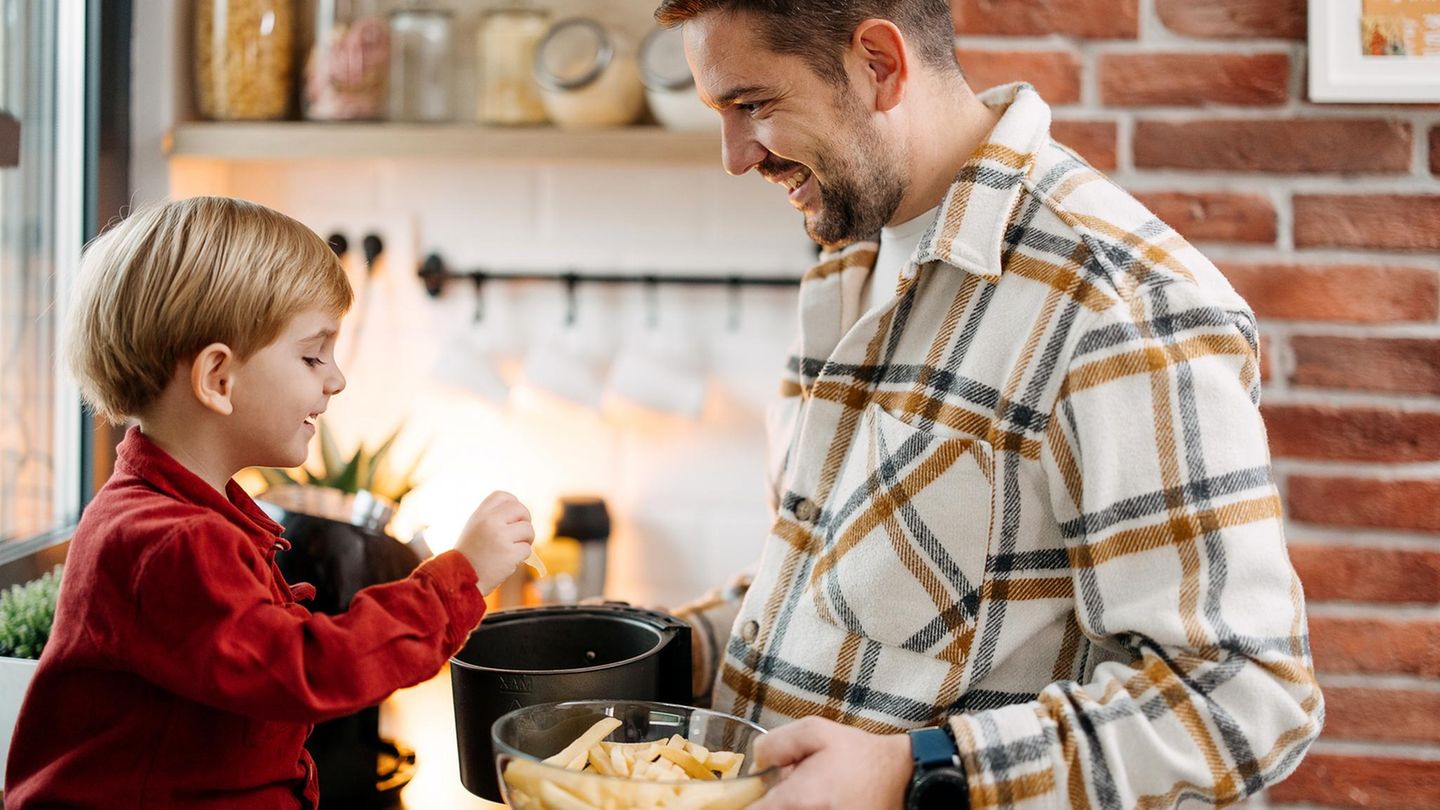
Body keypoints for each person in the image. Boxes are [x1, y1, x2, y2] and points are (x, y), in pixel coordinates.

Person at [656, 1, 1324, 807]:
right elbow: (831, 581)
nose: (734, 157)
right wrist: (643, 649)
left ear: (878, 64)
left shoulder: (1116, 305)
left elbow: (1241, 698)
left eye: (753, 105)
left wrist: (917, 772)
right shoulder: (850, 263)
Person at [3, 197, 536, 808]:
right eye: (312, 355)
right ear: (218, 379)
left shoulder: (176, 512)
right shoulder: (172, 541)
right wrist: (459, 578)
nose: (335, 379)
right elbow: (306, 670)